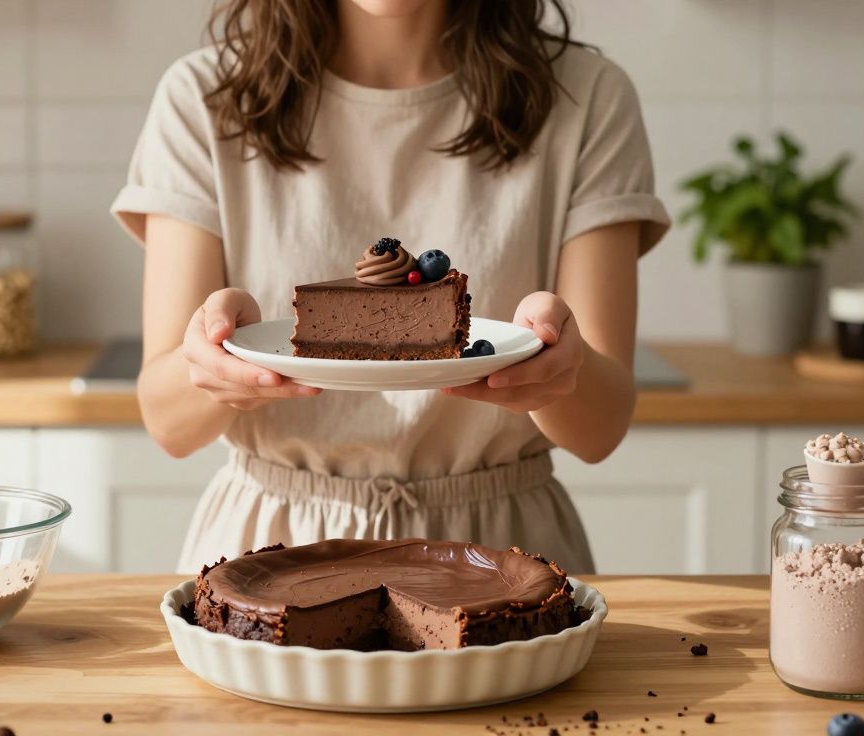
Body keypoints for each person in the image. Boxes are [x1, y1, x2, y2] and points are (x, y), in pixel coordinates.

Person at [112, 0, 670, 574]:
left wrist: (555, 366)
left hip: (505, 555)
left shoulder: (587, 95)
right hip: (272, 555)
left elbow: (600, 430)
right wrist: (220, 358)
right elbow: (168, 423)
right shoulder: (205, 96)